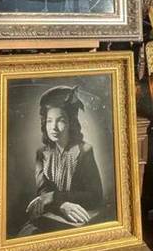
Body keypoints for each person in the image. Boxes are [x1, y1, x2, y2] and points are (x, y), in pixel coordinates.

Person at [18, 86, 105, 235]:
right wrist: (61, 205)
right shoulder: (42, 153)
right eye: (49, 121)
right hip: (53, 213)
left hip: (79, 218)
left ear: (71, 122)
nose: (54, 127)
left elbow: (95, 196)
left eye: (61, 121)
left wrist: (53, 197)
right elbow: (43, 191)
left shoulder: (84, 151)